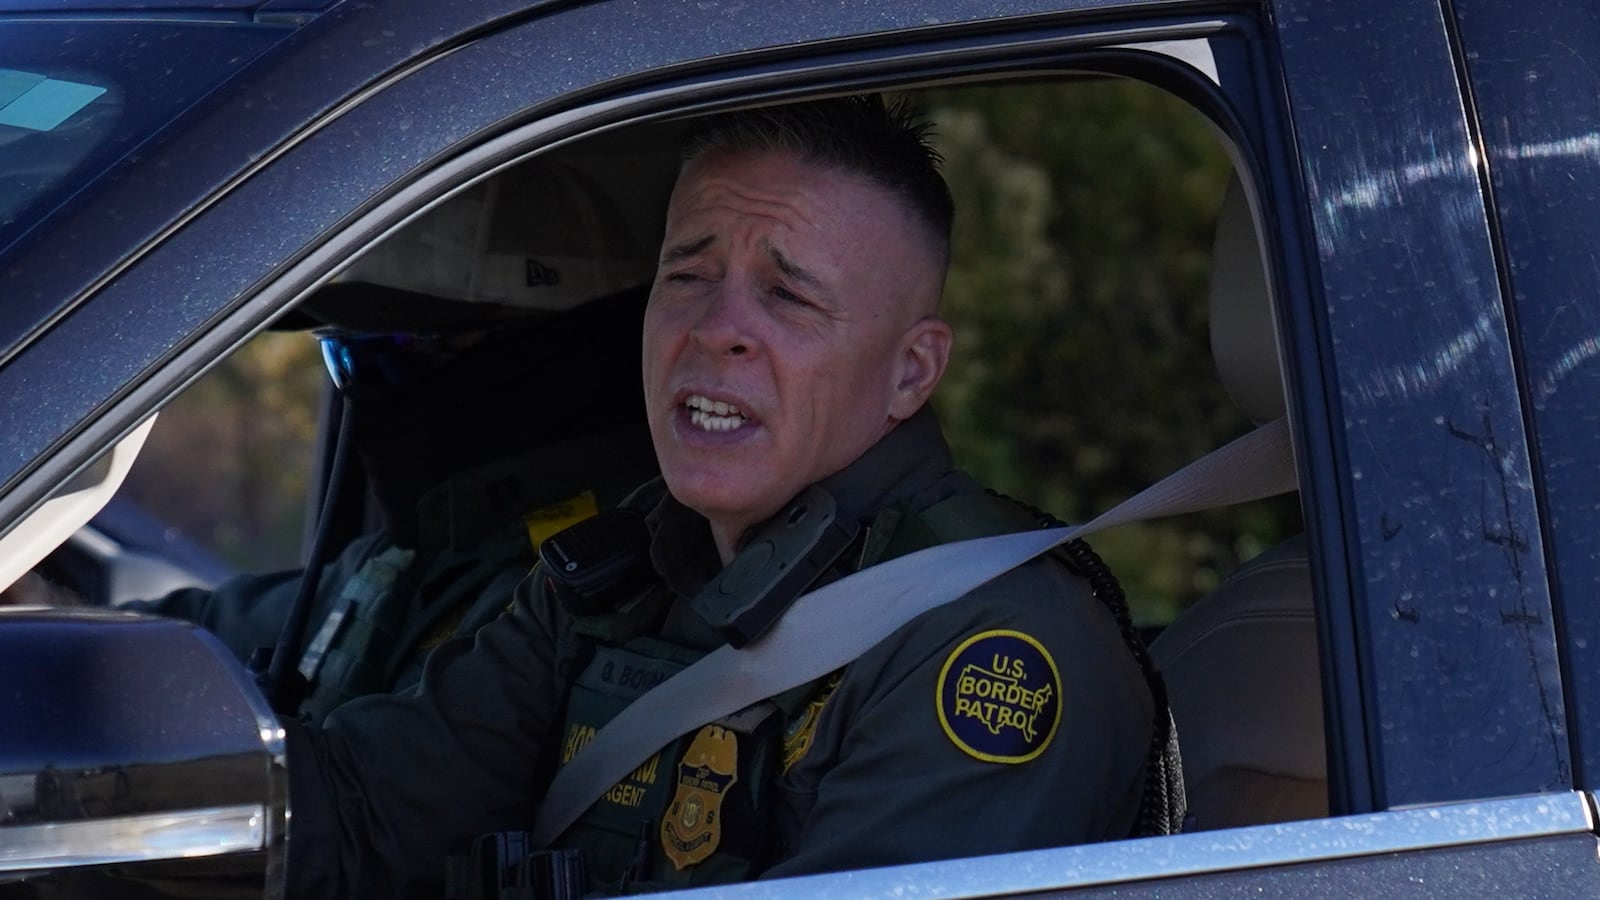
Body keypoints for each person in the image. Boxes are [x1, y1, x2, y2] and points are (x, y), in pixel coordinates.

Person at [284, 96, 1158, 898]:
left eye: (788, 294)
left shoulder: (990, 643)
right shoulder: (623, 571)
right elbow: (366, 815)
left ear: (910, 371)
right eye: (688, 277)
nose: (713, 330)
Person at [2, 154, 664, 725]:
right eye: (350, 355)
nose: (371, 390)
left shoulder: (570, 591)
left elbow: (380, 789)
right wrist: (35, 612)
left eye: (396, 352)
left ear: (547, 359)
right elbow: (187, 641)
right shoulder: (413, 552)